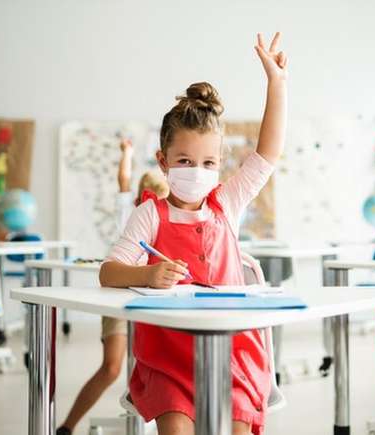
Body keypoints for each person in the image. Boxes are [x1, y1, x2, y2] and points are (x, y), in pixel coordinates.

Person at [99, 33, 287, 435]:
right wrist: (146, 275)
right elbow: (109, 272)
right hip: (168, 358)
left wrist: (277, 83)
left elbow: (268, 153)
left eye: (208, 162)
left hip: (234, 352)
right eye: (185, 160)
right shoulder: (150, 213)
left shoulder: (227, 203)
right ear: (163, 162)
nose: (196, 170)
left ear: (220, 164)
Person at [56, 139, 168, 435]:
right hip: (119, 299)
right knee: (112, 368)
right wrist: (127, 154)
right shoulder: (130, 212)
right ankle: (67, 426)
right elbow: (123, 180)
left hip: (152, 300)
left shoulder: (169, 218)